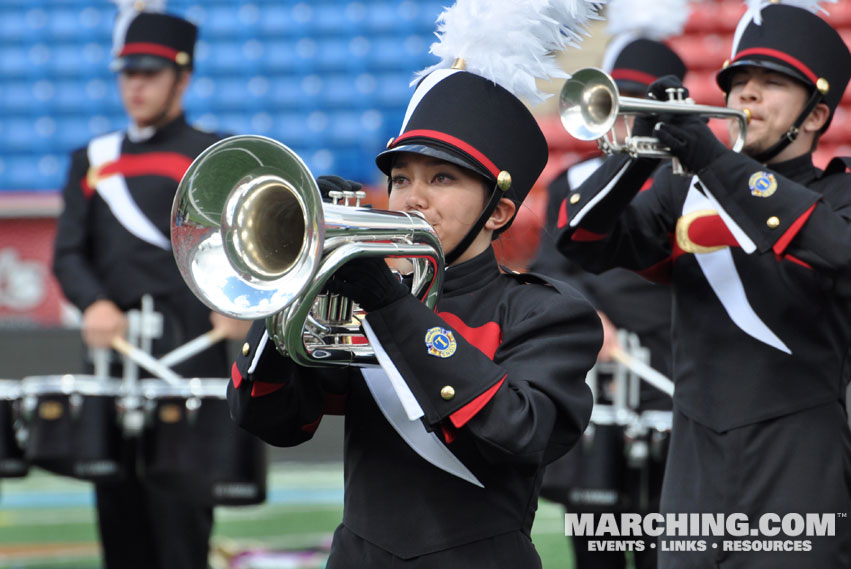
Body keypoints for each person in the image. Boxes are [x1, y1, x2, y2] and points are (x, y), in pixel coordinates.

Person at [225, 2, 607, 565]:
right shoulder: (349, 304)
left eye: (442, 178)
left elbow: (517, 433)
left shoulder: (545, 315)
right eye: (401, 178)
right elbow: (270, 418)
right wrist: (292, 283)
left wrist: (388, 303)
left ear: (498, 213)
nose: (412, 196)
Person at [555, 3, 851, 568]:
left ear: (814, 116)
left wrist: (712, 158)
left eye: (771, 83)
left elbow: (834, 251)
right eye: (739, 81)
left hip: (797, 465)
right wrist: (639, 152)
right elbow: (580, 239)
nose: (747, 95)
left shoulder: (839, 197)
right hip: (695, 466)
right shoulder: (683, 193)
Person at [52, 10, 246, 569]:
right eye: (127, 74)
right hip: (112, 362)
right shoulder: (91, 160)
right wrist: (94, 302)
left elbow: (241, 248)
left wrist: (234, 306)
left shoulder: (216, 155)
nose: (135, 86)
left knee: (182, 531)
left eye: (150, 74)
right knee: (119, 527)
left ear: (181, 79)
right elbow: (67, 252)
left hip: (190, 359)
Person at [532, 35, 686, 569]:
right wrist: (591, 319)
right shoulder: (570, 182)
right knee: (594, 543)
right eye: (619, 103)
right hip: (600, 379)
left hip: (671, 373)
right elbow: (550, 270)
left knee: (665, 541)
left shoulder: (694, 184)